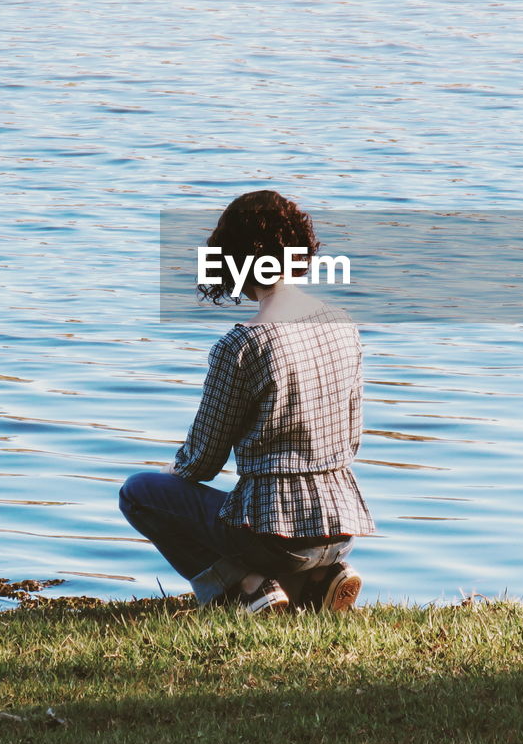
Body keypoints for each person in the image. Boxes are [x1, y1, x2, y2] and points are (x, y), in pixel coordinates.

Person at [119, 190, 374, 613]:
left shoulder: (243, 344)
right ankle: (322, 577)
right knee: (273, 526)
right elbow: (351, 440)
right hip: (341, 527)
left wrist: (172, 472)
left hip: (274, 538)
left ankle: (248, 586)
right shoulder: (342, 324)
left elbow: (202, 461)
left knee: (139, 493)